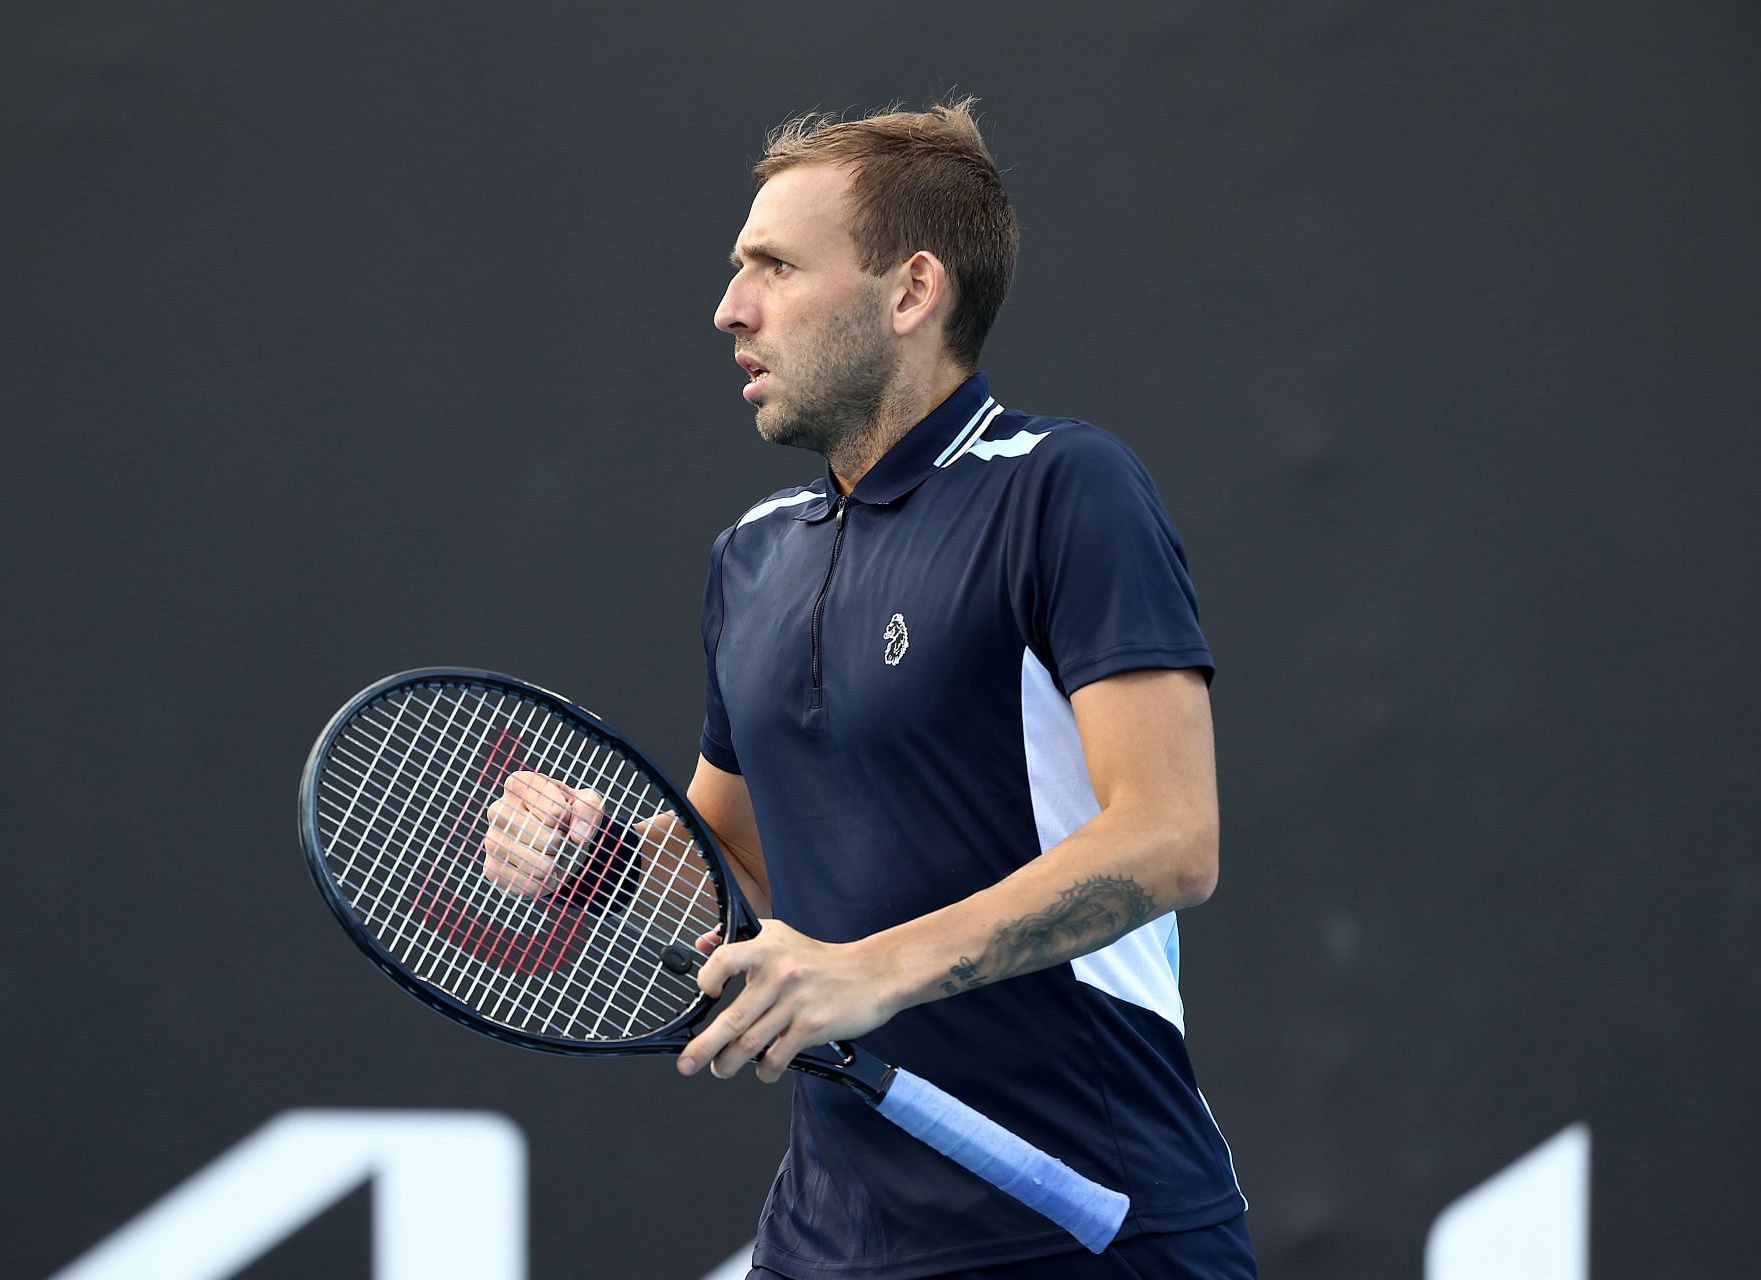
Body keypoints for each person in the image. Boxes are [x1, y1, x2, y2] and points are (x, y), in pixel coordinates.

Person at [483, 99, 1255, 1279]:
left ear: (910, 293)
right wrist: (597, 862)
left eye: (774, 267)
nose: (729, 308)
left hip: (1085, 1227)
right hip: (828, 1242)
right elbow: (738, 862)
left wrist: (873, 967)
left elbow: (1170, 834)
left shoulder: (1063, 490)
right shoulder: (751, 556)